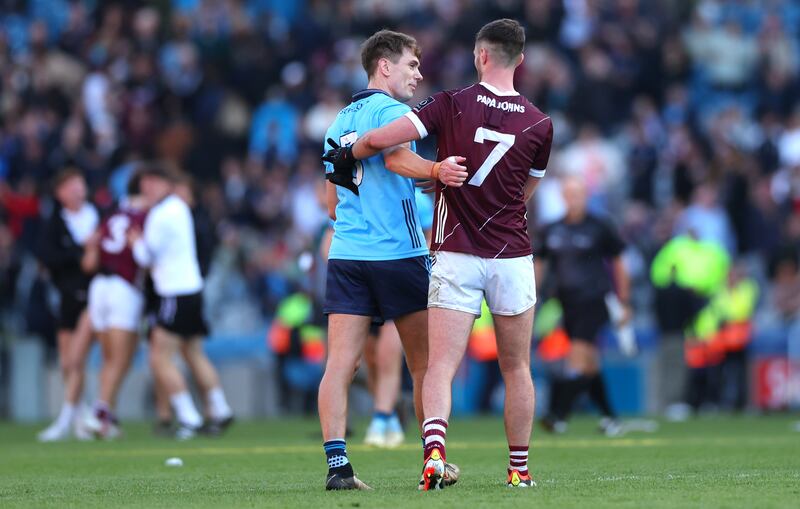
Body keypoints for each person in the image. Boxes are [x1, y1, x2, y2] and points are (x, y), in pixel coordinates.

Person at [338, 18, 553, 489]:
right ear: (520, 60)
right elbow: (525, 193)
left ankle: (434, 452)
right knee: (516, 366)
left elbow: (380, 142)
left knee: (439, 365)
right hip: (511, 254)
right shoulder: (540, 123)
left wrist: (351, 151)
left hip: (454, 249)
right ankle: (518, 470)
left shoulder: (450, 103)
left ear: (480, 56)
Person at [317, 29, 467, 491]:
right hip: (398, 254)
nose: (418, 75)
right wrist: (437, 170)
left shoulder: (336, 120)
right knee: (425, 365)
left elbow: (330, 204)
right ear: (385, 66)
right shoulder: (395, 112)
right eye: (411, 65)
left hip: (346, 255)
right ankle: (433, 459)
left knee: (340, 365)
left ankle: (338, 466)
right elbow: (400, 159)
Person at [129, 165, 233, 440]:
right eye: (145, 184)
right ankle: (220, 408)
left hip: (174, 293)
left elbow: (145, 258)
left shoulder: (161, 214)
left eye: (153, 183)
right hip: (192, 290)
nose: (148, 190)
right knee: (193, 352)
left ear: (166, 185)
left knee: (159, 357)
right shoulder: (178, 208)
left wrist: (135, 240)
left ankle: (189, 416)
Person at [534, 176, 631, 436]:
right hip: (567, 303)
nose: (573, 199)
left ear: (585, 196)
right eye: (569, 194)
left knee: (577, 357)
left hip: (594, 300)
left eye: (578, 193)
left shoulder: (599, 225)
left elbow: (620, 262)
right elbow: (540, 263)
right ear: (563, 197)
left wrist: (624, 301)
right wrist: (532, 296)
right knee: (589, 363)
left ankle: (558, 414)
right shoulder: (551, 229)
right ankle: (610, 417)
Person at [363, 188, 435, 449]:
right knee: (370, 358)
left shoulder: (418, 199)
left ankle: (381, 417)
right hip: (369, 279)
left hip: (401, 277)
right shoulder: (362, 191)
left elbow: (428, 237)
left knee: (388, 356)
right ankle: (390, 412)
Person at [82, 175, 148, 439]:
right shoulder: (145, 216)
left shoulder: (110, 216)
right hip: (124, 287)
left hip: (98, 286)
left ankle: (108, 416)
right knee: (121, 359)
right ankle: (99, 412)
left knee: (110, 359)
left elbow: (91, 256)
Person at [36, 168, 99, 442]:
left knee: (76, 359)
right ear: (60, 193)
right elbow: (48, 257)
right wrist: (79, 252)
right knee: (66, 363)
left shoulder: (97, 215)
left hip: (94, 297)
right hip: (66, 297)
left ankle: (64, 420)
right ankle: (80, 417)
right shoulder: (55, 222)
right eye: (69, 185)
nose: (76, 189)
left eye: (78, 182)